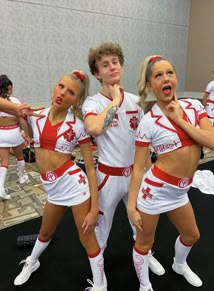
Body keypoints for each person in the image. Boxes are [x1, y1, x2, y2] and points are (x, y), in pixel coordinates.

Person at [128, 55, 214, 291]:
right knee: (144, 242)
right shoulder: (148, 122)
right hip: (154, 191)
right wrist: (131, 205)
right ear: (150, 85)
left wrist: (180, 120)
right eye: (158, 75)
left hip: (180, 191)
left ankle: (179, 264)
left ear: (176, 78)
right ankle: (145, 286)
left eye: (170, 72)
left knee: (191, 235)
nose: (166, 78)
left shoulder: (194, 106)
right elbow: (138, 167)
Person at [14, 70, 107, 291]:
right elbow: (31, 139)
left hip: (74, 185)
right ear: (55, 87)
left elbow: (91, 169)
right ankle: (32, 261)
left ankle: (101, 285)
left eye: (71, 92)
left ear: (76, 99)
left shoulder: (77, 125)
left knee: (87, 239)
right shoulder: (37, 117)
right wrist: (22, 120)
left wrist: (94, 209)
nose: (63, 93)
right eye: (61, 86)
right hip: (52, 188)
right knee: (45, 232)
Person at [82, 41, 165, 282]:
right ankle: (99, 274)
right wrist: (115, 100)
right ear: (97, 73)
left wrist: (150, 173)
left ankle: (145, 253)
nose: (111, 67)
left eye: (115, 62)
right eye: (104, 65)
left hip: (136, 175)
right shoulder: (93, 103)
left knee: (140, 222)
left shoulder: (135, 101)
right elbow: (95, 128)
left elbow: (144, 141)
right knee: (101, 228)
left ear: (121, 65)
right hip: (108, 177)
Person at [0, 75, 30, 200]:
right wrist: (27, 135)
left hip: (1, 133)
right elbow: (22, 121)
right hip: (13, 133)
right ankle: (21, 177)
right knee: (20, 156)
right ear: (8, 89)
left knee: (4, 162)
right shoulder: (15, 102)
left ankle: (0, 187)